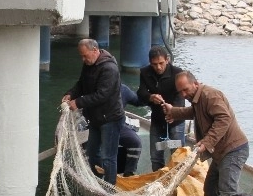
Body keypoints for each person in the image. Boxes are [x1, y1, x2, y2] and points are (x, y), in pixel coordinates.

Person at [162, 70, 249, 196]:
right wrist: (173, 111)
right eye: (180, 91)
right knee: (210, 191)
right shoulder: (197, 99)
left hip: (233, 150)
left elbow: (223, 119)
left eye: (185, 89)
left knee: (228, 192)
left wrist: (206, 142)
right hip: (220, 153)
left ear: (195, 83)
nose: (183, 94)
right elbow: (194, 113)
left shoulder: (210, 95)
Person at [62, 38, 124, 184]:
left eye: (85, 55)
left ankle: (110, 188)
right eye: (81, 56)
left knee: (108, 157)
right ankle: (96, 180)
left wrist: (78, 102)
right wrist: (71, 94)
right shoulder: (88, 64)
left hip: (110, 118)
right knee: (92, 152)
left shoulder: (109, 69)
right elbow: (81, 84)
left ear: (95, 50)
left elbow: (102, 95)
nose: (83, 59)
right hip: (95, 118)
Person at [136, 45, 185, 171]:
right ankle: (159, 182)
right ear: (150, 63)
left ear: (167, 59)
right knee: (156, 157)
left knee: (179, 155)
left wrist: (173, 112)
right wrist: (150, 97)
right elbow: (141, 92)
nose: (158, 67)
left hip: (175, 121)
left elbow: (181, 96)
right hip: (157, 120)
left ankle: (179, 183)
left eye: (161, 63)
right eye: (154, 64)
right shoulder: (145, 72)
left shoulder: (177, 72)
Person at [118, 84, 143, 177]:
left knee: (135, 142)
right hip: (96, 126)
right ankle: (95, 174)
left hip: (118, 125)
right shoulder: (94, 87)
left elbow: (138, 100)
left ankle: (129, 173)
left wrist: (150, 96)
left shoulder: (123, 89)